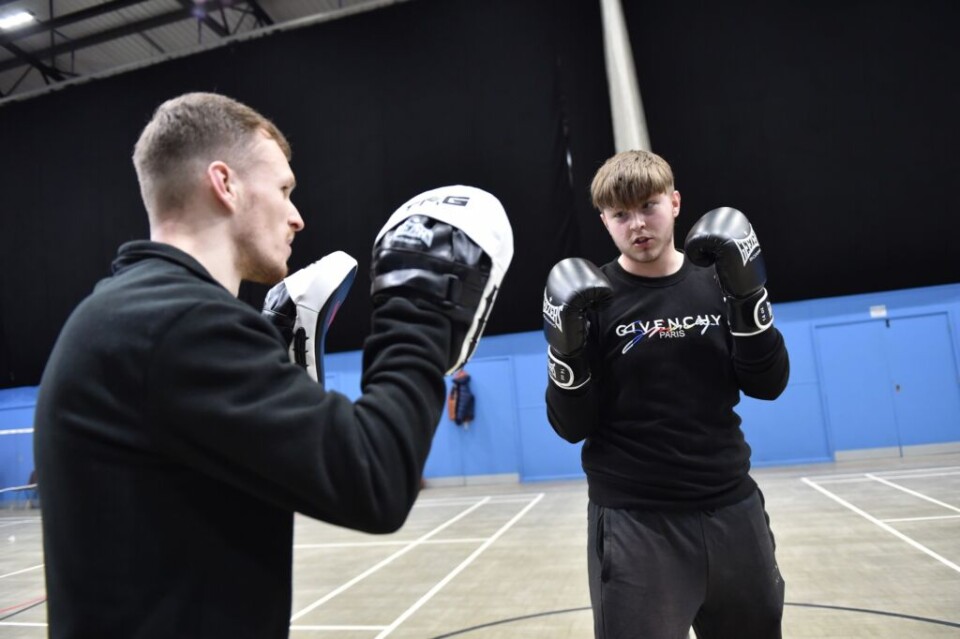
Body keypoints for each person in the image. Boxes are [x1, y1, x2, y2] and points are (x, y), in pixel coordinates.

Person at [33, 92, 512, 638]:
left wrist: (279, 367)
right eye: (284, 189)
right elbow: (376, 480)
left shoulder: (131, 312)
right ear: (226, 184)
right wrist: (418, 307)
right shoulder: (179, 326)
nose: (297, 217)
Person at [542, 149, 790, 638]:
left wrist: (749, 298)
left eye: (648, 206)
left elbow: (769, 383)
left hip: (732, 510)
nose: (637, 224)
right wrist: (565, 352)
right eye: (620, 215)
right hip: (636, 524)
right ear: (605, 221)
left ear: (674, 203)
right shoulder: (592, 300)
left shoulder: (718, 282)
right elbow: (572, 428)